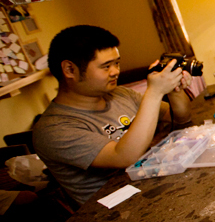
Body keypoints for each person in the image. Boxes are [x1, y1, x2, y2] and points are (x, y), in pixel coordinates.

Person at [32, 26, 192, 205]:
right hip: (115, 213)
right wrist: (154, 92)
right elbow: (124, 156)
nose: (115, 71)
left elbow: (181, 118)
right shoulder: (53, 130)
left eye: (116, 63)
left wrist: (174, 89)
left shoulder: (121, 94)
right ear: (70, 69)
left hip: (155, 186)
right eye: (106, 66)